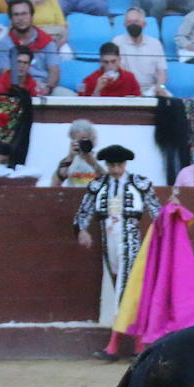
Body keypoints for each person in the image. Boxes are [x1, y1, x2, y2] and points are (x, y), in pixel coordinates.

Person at [73, 144, 163, 359]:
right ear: (106, 165)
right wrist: (81, 230)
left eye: (119, 165)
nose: (115, 169)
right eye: (111, 165)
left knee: (125, 289)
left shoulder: (139, 184)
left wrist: (171, 217)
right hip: (108, 245)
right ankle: (137, 346)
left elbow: (157, 212)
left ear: (125, 164)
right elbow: (83, 212)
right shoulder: (98, 185)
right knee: (117, 290)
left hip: (131, 243)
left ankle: (118, 346)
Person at [0, 0, 62, 94]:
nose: (21, 18)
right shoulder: (5, 43)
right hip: (17, 89)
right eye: (16, 15)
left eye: (24, 14)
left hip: (43, 87)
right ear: (11, 19)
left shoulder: (46, 41)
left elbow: (54, 71)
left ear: (32, 16)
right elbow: (5, 73)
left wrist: (48, 88)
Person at [113, 6, 170, 96]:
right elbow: (115, 70)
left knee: (172, 103)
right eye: (129, 22)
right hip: (126, 88)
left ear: (144, 24)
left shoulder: (155, 43)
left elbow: (162, 72)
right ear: (124, 25)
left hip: (151, 89)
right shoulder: (117, 42)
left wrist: (161, 87)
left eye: (136, 21)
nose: (133, 24)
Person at [52, 118, 102, 186]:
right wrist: (70, 157)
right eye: (78, 140)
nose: (81, 143)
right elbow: (55, 185)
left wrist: (91, 161)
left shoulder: (101, 159)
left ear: (92, 138)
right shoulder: (67, 162)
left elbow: (107, 180)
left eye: (84, 139)